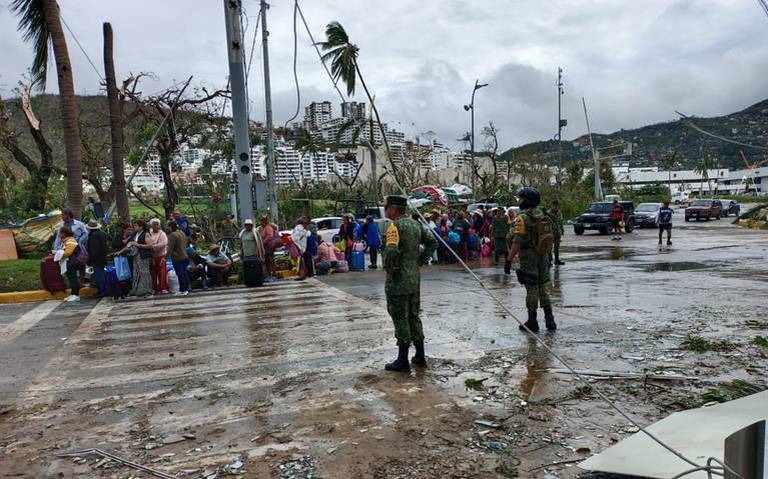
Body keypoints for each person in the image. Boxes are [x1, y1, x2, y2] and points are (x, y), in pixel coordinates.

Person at [382, 195, 437, 372]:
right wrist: (420, 261)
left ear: (393, 208)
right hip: (414, 278)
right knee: (413, 315)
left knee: (400, 317)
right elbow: (432, 242)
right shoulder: (415, 224)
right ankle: (420, 354)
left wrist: (390, 269)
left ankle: (402, 359)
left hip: (398, 280)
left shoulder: (394, 226)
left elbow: (390, 253)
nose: (385, 210)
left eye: (387, 206)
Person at [507, 187, 556, 332]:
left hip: (529, 258)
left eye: (521, 199)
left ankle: (532, 321)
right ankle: (550, 320)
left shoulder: (523, 218)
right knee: (544, 287)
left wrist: (509, 259)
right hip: (543, 255)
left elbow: (517, 241)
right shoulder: (543, 214)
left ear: (526, 200)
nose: (519, 201)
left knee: (532, 288)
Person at [126, 219, 153, 298]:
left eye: (136, 225)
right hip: (135, 255)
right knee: (135, 273)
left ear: (141, 227)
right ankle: (134, 290)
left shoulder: (146, 234)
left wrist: (138, 245)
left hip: (143, 256)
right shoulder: (134, 234)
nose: (134, 227)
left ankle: (149, 291)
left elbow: (150, 245)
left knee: (145, 273)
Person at [58, 226, 81, 302]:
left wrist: (59, 255)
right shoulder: (65, 241)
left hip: (72, 263)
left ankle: (76, 295)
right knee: (71, 279)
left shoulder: (70, 241)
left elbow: (68, 252)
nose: (59, 234)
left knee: (73, 278)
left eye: (61, 233)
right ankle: (73, 294)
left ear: (65, 233)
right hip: (69, 263)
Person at [85, 220, 108, 298]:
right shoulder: (102, 234)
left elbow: (94, 249)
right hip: (102, 257)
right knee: (101, 274)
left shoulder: (93, 236)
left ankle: (102, 291)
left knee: (99, 275)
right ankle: (103, 290)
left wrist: (90, 259)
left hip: (97, 259)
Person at [167, 221, 190, 296]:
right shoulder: (182, 233)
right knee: (185, 273)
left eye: (168, 226)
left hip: (178, 257)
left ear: (171, 227)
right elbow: (186, 243)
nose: (167, 228)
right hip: (185, 255)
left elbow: (170, 248)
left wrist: (165, 257)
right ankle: (186, 289)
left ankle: (182, 290)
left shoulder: (172, 235)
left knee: (180, 274)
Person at [147, 218, 169, 294]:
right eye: (154, 225)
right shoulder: (149, 233)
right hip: (152, 256)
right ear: (151, 225)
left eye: (157, 224)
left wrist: (153, 247)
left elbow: (164, 243)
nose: (155, 226)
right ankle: (154, 288)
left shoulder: (162, 233)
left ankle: (163, 287)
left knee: (162, 272)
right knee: (153, 273)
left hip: (161, 255)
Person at [547, 201, 565, 266]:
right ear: (551, 206)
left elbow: (561, 222)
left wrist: (562, 231)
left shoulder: (559, 213)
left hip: (558, 232)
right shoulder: (548, 213)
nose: (556, 207)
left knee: (557, 248)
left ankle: (557, 260)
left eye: (557, 206)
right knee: (549, 248)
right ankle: (549, 261)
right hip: (551, 233)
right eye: (554, 206)